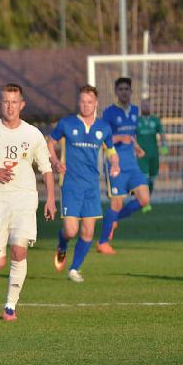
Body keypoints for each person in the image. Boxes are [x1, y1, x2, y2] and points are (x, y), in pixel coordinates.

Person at [0, 84, 55, 321]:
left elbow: (46, 168)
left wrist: (51, 199)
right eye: (6, 102)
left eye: (14, 102)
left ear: (22, 105)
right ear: (0, 104)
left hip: (24, 200)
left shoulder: (33, 134)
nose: (10, 106)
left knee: (19, 251)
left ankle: (10, 306)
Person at [46, 85, 121, 283]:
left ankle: (74, 269)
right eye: (82, 101)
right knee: (71, 231)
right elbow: (49, 142)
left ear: (96, 103)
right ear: (78, 102)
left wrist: (115, 163)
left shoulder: (104, 128)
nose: (86, 105)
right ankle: (62, 244)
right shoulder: (67, 123)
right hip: (71, 183)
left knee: (88, 232)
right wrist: (55, 162)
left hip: (92, 186)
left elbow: (111, 151)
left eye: (89, 102)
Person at [97, 77, 150, 254]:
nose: (124, 92)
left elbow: (131, 135)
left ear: (131, 91)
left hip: (132, 164)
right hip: (115, 164)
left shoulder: (135, 111)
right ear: (116, 92)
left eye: (127, 89)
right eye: (121, 89)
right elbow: (103, 139)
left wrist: (137, 147)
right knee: (116, 203)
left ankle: (114, 219)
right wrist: (120, 138)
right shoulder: (109, 113)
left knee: (144, 199)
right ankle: (103, 242)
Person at [136, 99, 168, 193]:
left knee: (152, 177)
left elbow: (162, 134)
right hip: (141, 155)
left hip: (154, 153)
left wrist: (164, 146)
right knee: (144, 177)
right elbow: (131, 136)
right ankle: (143, 197)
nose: (146, 107)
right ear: (141, 107)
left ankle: (148, 195)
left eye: (148, 105)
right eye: (144, 105)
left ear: (150, 107)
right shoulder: (137, 121)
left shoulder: (155, 120)